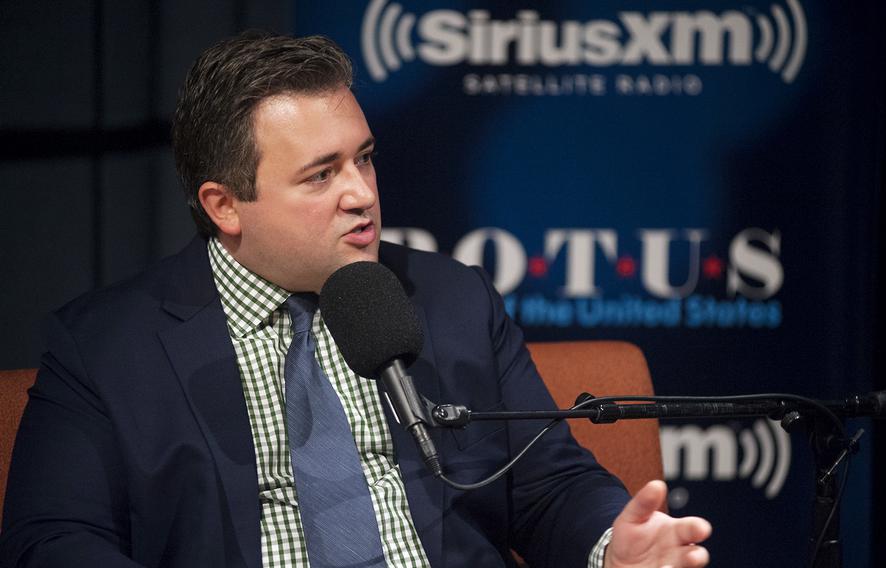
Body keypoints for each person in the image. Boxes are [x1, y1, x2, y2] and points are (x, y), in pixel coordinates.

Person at [0, 31, 710, 568]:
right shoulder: (106, 346)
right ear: (224, 205)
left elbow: (549, 485)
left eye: (363, 157)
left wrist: (613, 544)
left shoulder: (451, 298)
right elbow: (53, 538)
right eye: (320, 175)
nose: (362, 194)